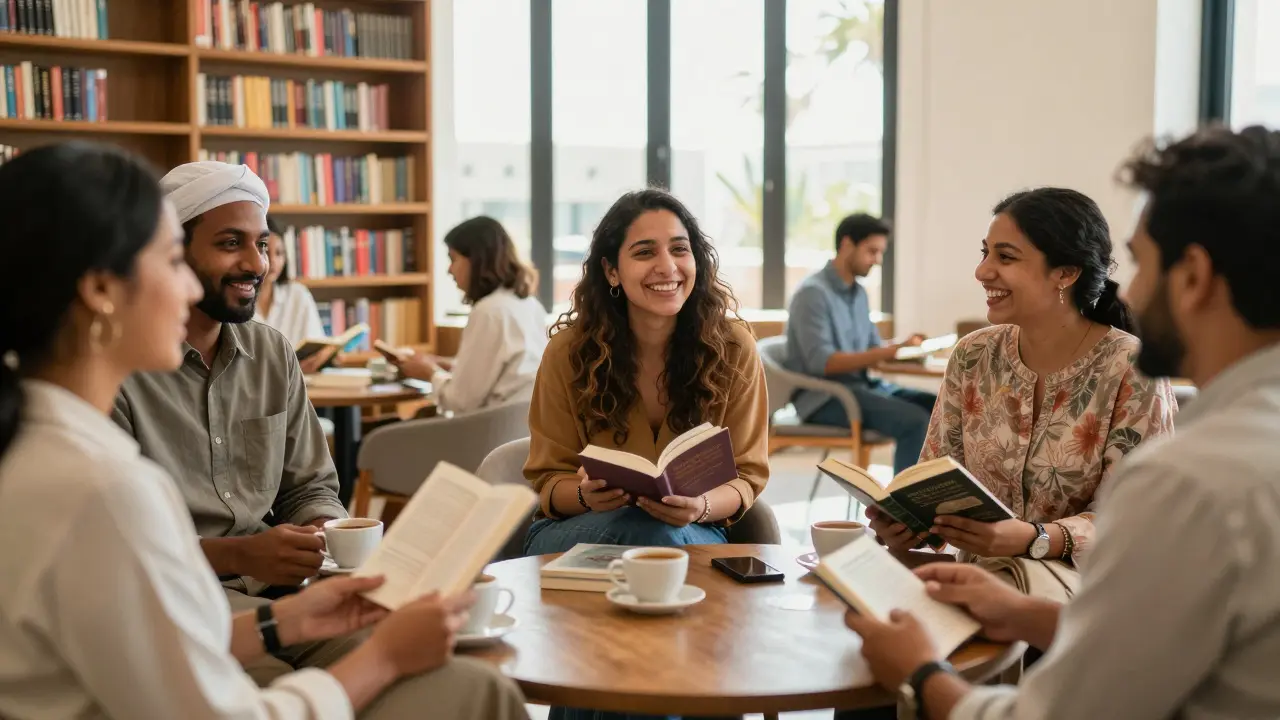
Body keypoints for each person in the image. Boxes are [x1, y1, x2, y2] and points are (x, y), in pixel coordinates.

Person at [0, 141, 528, 720]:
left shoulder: (45, 449)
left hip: (273, 605)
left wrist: (293, 616)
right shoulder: (103, 489)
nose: (256, 267)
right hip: (226, 628)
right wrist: (384, 657)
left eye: (262, 244)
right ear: (101, 289)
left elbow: (158, 654)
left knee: (480, 690)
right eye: (171, 260)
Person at [846, 125, 1280, 719]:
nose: (1133, 286)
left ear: (1194, 276)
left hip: (1054, 588)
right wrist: (1019, 608)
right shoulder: (976, 355)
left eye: (1141, 262)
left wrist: (920, 678)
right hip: (1001, 588)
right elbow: (1153, 636)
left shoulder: (1191, 481)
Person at [109, 160, 351, 679]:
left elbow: (310, 486)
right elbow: (120, 549)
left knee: (431, 664)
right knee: (274, 685)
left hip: (286, 590)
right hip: (176, 600)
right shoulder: (120, 369)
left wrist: (322, 532)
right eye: (230, 243)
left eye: (262, 244)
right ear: (174, 254)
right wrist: (243, 555)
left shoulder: (272, 352)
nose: (255, 263)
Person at [869, 188, 1176, 562]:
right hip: (972, 586)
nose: (982, 271)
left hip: (1083, 600)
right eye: (985, 253)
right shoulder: (972, 354)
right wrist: (907, 526)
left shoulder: (1131, 368)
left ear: (1065, 273)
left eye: (1006, 257)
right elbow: (934, 485)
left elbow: (1137, 518)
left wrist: (1037, 538)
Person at [523, 189, 769, 553]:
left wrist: (700, 507)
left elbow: (746, 476)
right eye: (644, 252)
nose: (668, 267)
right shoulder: (567, 353)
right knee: (649, 535)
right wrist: (584, 495)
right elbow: (547, 482)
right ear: (611, 271)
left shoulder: (733, 348)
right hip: (576, 534)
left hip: (691, 532)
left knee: (659, 537)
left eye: (679, 249)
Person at [784, 213, 936, 475]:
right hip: (826, 397)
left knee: (938, 405)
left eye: (880, 253)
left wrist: (904, 346)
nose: (877, 260)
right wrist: (887, 351)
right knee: (914, 421)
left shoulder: (858, 293)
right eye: (872, 251)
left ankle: (934, 494)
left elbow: (872, 348)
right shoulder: (812, 294)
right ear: (846, 245)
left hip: (861, 386)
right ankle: (903, 508)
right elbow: (824, 362)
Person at [391, 216, 548, 414]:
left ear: (476, 260)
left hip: (487, 434)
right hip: (519, 430)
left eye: (453, 259)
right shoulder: (527, 304)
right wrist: (447, 365)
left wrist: (429, 373)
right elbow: (503, 373)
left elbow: (460, 401)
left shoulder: (489, 312)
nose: (449, 270)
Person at [256, 215, 330, 373]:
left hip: (299, 381)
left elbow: (316, 343)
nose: (273, 261)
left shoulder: (298, 294)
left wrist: (326, 356)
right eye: (266, 252)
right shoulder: (237, 297)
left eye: (279, 253)